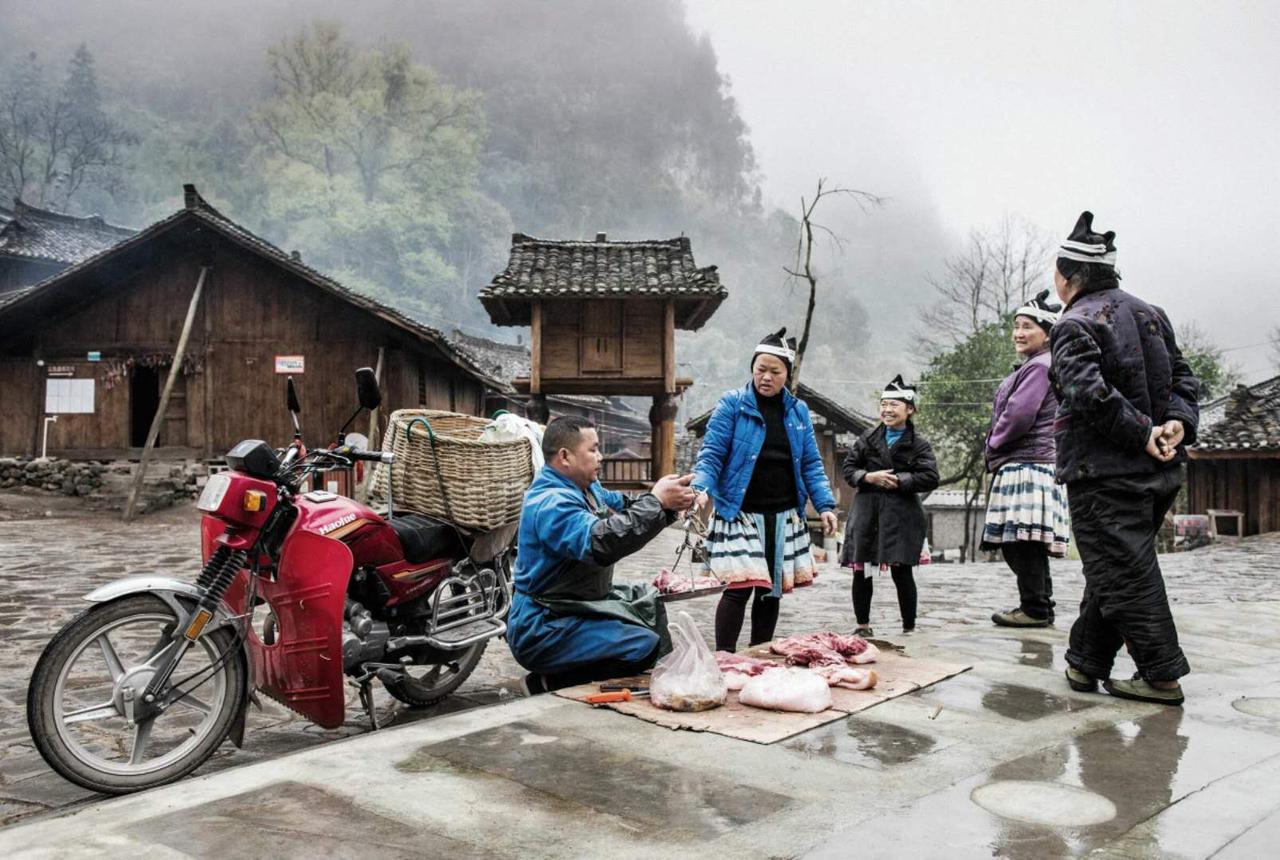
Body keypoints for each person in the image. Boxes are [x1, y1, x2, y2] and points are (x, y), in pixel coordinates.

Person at [1051, 211, 1199, 706]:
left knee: (1125, 574)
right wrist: (1177, 422)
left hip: (1105, 473)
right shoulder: (1150, 313)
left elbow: (1086, 395)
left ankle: (1162, 676)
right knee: (1117, 566)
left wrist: (1142, 434)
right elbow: (1185, 378)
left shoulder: (1075, 323)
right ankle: (1084, 662)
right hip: (1160, 470)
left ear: (1068, 277)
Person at [506, 415, 697, 693]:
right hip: (543, 625)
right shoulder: (551, 503)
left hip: (572, 606)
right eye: (593, 449)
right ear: (565, 456)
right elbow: (603, 542)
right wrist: (657, 501)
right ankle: (545, 683)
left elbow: (625, 507)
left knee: (645, 601)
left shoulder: (587, 489)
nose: (600, 457)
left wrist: (671, 502)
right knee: (642, 645)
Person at [691, 328, 839, 652]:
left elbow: (811, 463)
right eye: (761, 370)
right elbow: (712, 454)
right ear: (752, 369)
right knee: (739, 587)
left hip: (782, 513)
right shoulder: (732, 404)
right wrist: (700, 487)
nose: (766, 377)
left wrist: (825, 505)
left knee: (770, 591)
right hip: (740, 512)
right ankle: (725, 658)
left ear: (788, 373)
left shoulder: (797, 411)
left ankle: (760, 656)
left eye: (775, 371)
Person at [981, 289, 1072, 628]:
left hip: (1028, 461)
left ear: (1047, 332)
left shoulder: (1039, 366)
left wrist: (994, 443)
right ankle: (1039, 605)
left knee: (1020, 541)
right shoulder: (1041, 364)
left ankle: (1035, 608)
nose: (1018, 333)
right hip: (1034, 461)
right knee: (1025, 541)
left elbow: (1019, 414)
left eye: (1027, 327)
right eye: (1016, 326)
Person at [840, 376, 939, 635]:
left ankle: (909, 627)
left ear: (910, 409)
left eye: (894, 404)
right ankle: (862, 625)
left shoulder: (919, 443)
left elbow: (930, 477)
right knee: (862, 571)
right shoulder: (867, 438)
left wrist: (900, 480)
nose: (887, 409)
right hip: (867, 512)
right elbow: (849, 468)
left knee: (902, 572)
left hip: (901, 515)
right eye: (884, 404)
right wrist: (868, 477)